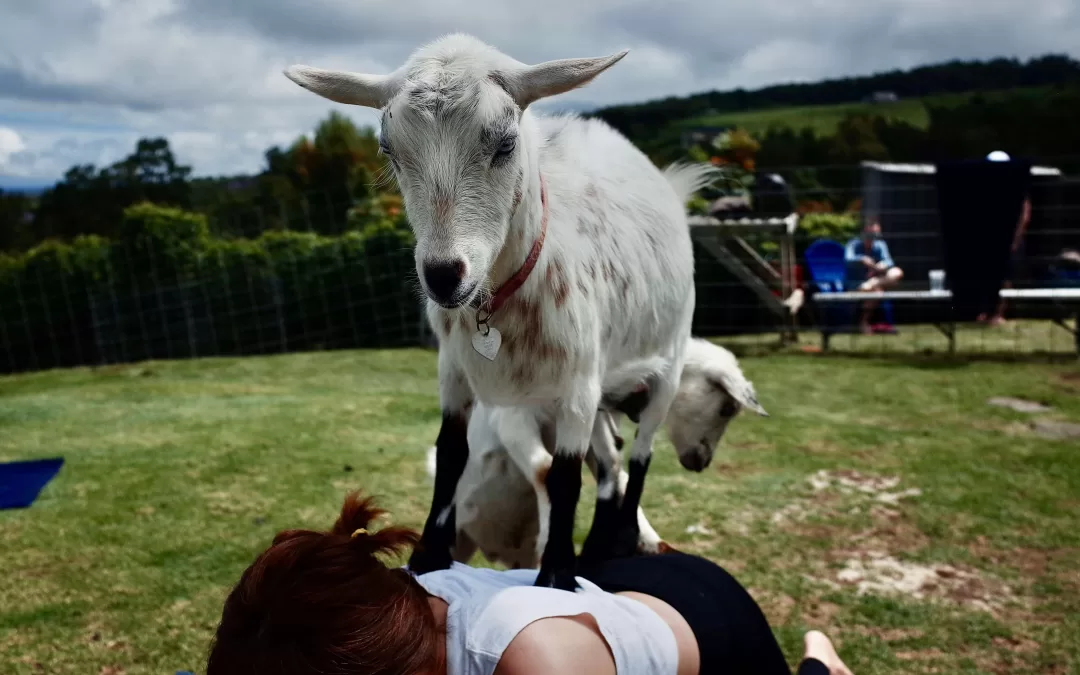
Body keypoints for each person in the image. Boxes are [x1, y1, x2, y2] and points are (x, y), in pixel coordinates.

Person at [206, 491, 854, 675]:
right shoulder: (386, 602)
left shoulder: (534, 661)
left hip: (705, 620)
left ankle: (821, 659)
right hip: (597, 592)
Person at [978, 195, 1031, 327]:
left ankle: (998, 314)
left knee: (1005, 278)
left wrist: (1015, 240)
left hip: (1012, 241)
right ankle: (986, 312)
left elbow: (1024, 216)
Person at [844, 220, 904, 334]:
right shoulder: (853, 244)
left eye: (876, 235)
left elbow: (889, 261)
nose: (873, 238)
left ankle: (874, 282)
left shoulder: (880, 245)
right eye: (871, 234)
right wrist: (862, 259)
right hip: (857, 284)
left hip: (874, 281)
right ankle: (864, 322)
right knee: (878, 292)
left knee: (897, 272)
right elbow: (847, 259)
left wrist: (883, 265)